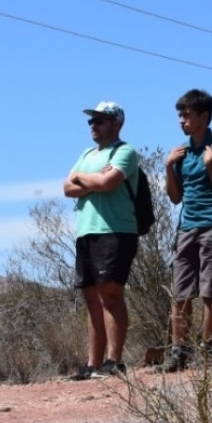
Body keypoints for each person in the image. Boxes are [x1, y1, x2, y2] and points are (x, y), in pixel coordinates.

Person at [64, 101, 140, 380]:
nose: (94, 126)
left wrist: (84, 181)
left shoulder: (125, 152)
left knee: (111, 294)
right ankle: (93, 363)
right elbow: (66, 187)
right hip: (86, 231)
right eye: (91, 121)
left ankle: (113, 361)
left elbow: (109, 183)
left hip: (116, 231)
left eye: (100, 120)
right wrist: (93, 179)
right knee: (91, 298)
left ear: (116, 123)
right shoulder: (86, 154)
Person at [157, 89, 212, 372]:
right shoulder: (182, 153)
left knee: (211, 292)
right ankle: (178, 353)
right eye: (180, 114)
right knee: (181, 293)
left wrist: (211, 166)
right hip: (186, 226)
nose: (182, 120)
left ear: (204, 116)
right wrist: (168, 167)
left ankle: (206, 350)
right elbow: (175, 197)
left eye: (187, 114)